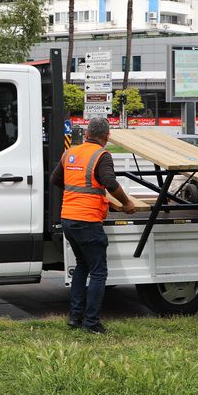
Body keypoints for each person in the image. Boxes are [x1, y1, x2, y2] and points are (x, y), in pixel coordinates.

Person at [50, 117, 135, 334]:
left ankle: (75, 317)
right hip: (87, 220)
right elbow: (110, 183)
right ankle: (91, 322)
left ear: (87, 134)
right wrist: (126, 203)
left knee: (82, 266)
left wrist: (77, 193)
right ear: (107, 136)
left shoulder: (70, 153)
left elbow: (55, 179)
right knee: (98, 272)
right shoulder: (101, 155)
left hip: (68, 218)